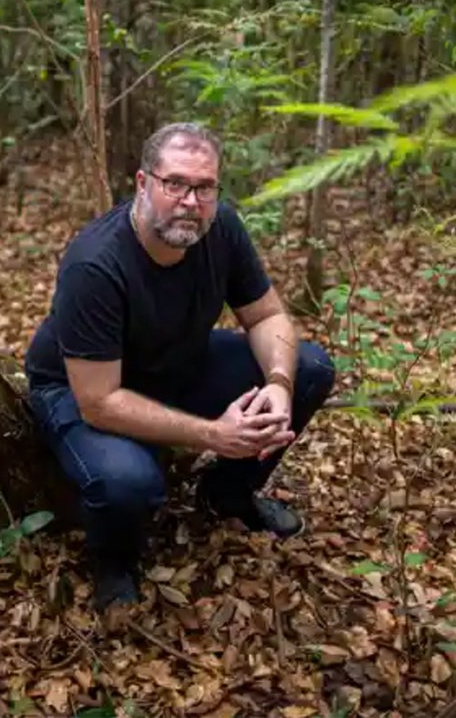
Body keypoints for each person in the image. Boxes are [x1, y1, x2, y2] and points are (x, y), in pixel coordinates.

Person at [23, 122, 334, 610]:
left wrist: (277, 383)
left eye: (204, 187)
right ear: (144, 184)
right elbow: (99, 401)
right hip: (81, 386)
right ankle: (114, 560)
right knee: (129, 482)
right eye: (175, 184)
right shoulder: (95, 265)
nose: (191, 201)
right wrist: (213, 434)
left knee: (309, 368)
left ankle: (228, 495)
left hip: (175, 359)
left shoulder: (222, 229)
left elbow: (268, 315)